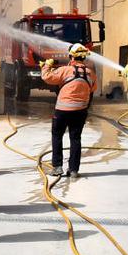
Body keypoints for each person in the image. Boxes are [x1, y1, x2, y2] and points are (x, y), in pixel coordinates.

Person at [41, 43, 97, 179]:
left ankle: (57, 167)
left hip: (62, 110)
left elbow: (47, 77)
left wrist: (46, 65)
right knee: (75, 139)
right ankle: (73, 170)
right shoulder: (90, 73)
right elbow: (92, 89)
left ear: (71, 56)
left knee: (57, 136)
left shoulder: (65, 70)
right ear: (84, 58)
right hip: (80, 111)